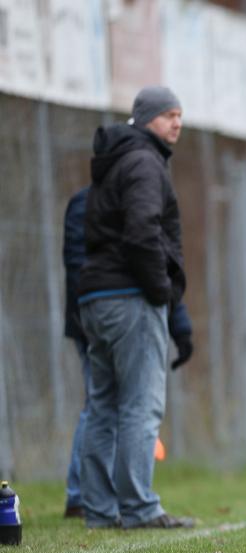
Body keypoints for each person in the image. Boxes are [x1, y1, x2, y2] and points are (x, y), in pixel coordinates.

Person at [78, 86, 194, 529]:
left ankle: (100, 511)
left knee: (102, 405)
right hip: (130, 295)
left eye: (180, 115)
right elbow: (143, 230)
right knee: (140, 406)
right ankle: (140, 509)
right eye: (168, 114)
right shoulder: (144, 162)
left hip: (96, 296)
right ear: (146, 119)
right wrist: (160, 289)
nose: (177, 123)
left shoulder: (115, 161)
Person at [62, 186, 193, 518]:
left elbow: (163, 269)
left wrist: (180, 325)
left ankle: (98, 502)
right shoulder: (93, 202)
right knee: (122, 406)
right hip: (103, 315)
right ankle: (104, 499)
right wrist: (85, 314)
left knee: (106, 406)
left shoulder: (138, 197)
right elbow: (84, 264)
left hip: (103, 312)